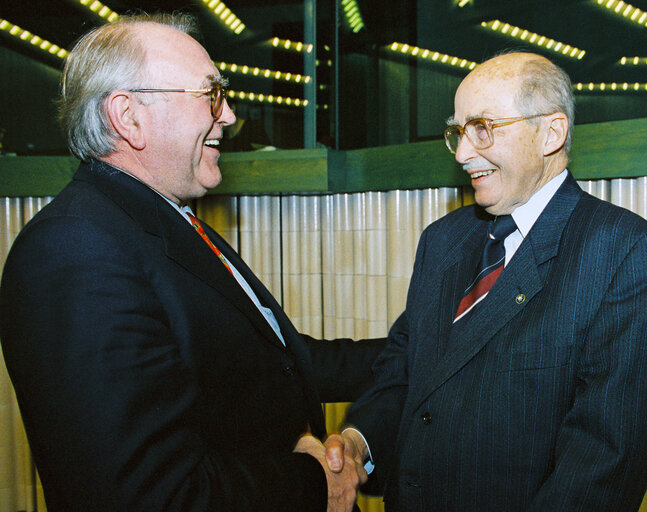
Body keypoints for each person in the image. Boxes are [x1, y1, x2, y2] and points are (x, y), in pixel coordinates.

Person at [0, 13, 383, 512]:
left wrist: (430, 345)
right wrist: (314, 479)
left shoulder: (163, 218)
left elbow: (279, 361)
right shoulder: (73, 250)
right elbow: (146, 495)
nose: (227, 116)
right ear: (128, 116)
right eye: (211, 95)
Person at [326, 51, 647, 511]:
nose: (465, 153)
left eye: (484, 128)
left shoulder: (624, 251)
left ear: (551, 133)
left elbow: (604, 463)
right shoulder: (442, 240)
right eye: (459, 132)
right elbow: (404, 369)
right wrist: (357, 445)